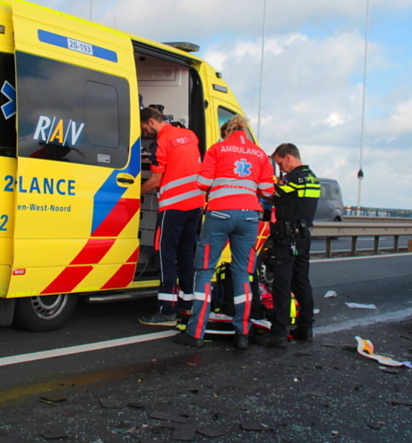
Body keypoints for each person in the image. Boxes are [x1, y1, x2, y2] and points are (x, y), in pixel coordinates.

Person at [175, 115, 273, 350]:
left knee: (205, 271)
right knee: (242, 274)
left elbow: (202, 182)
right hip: (249, 216)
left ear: (226, 132)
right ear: (245, 131)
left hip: (219, 215)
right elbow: (268, 189)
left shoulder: (217, 149)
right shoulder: (260, 154)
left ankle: (196, 333)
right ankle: (243, 333)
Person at [137, 107, 204, 326]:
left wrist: (133, 193)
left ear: (151, 122)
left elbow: (156, 180)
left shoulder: (162, 141)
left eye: (144, 128)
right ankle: (187, 305)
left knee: (166, 256)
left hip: (173, 207)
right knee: (186, 254)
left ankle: (167, 311)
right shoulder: (190, 135)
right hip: (195, 205)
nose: (144, 132)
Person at [255, 143, 321, 347]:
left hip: (287, 237)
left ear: (289, 157)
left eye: (280, 162)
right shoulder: (312, 178)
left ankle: (279, 333)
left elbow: (270, 192)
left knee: (282, 285)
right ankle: (305, 328)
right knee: (301, 282)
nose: (280, 167)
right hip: (303, 237)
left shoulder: (293, 179)